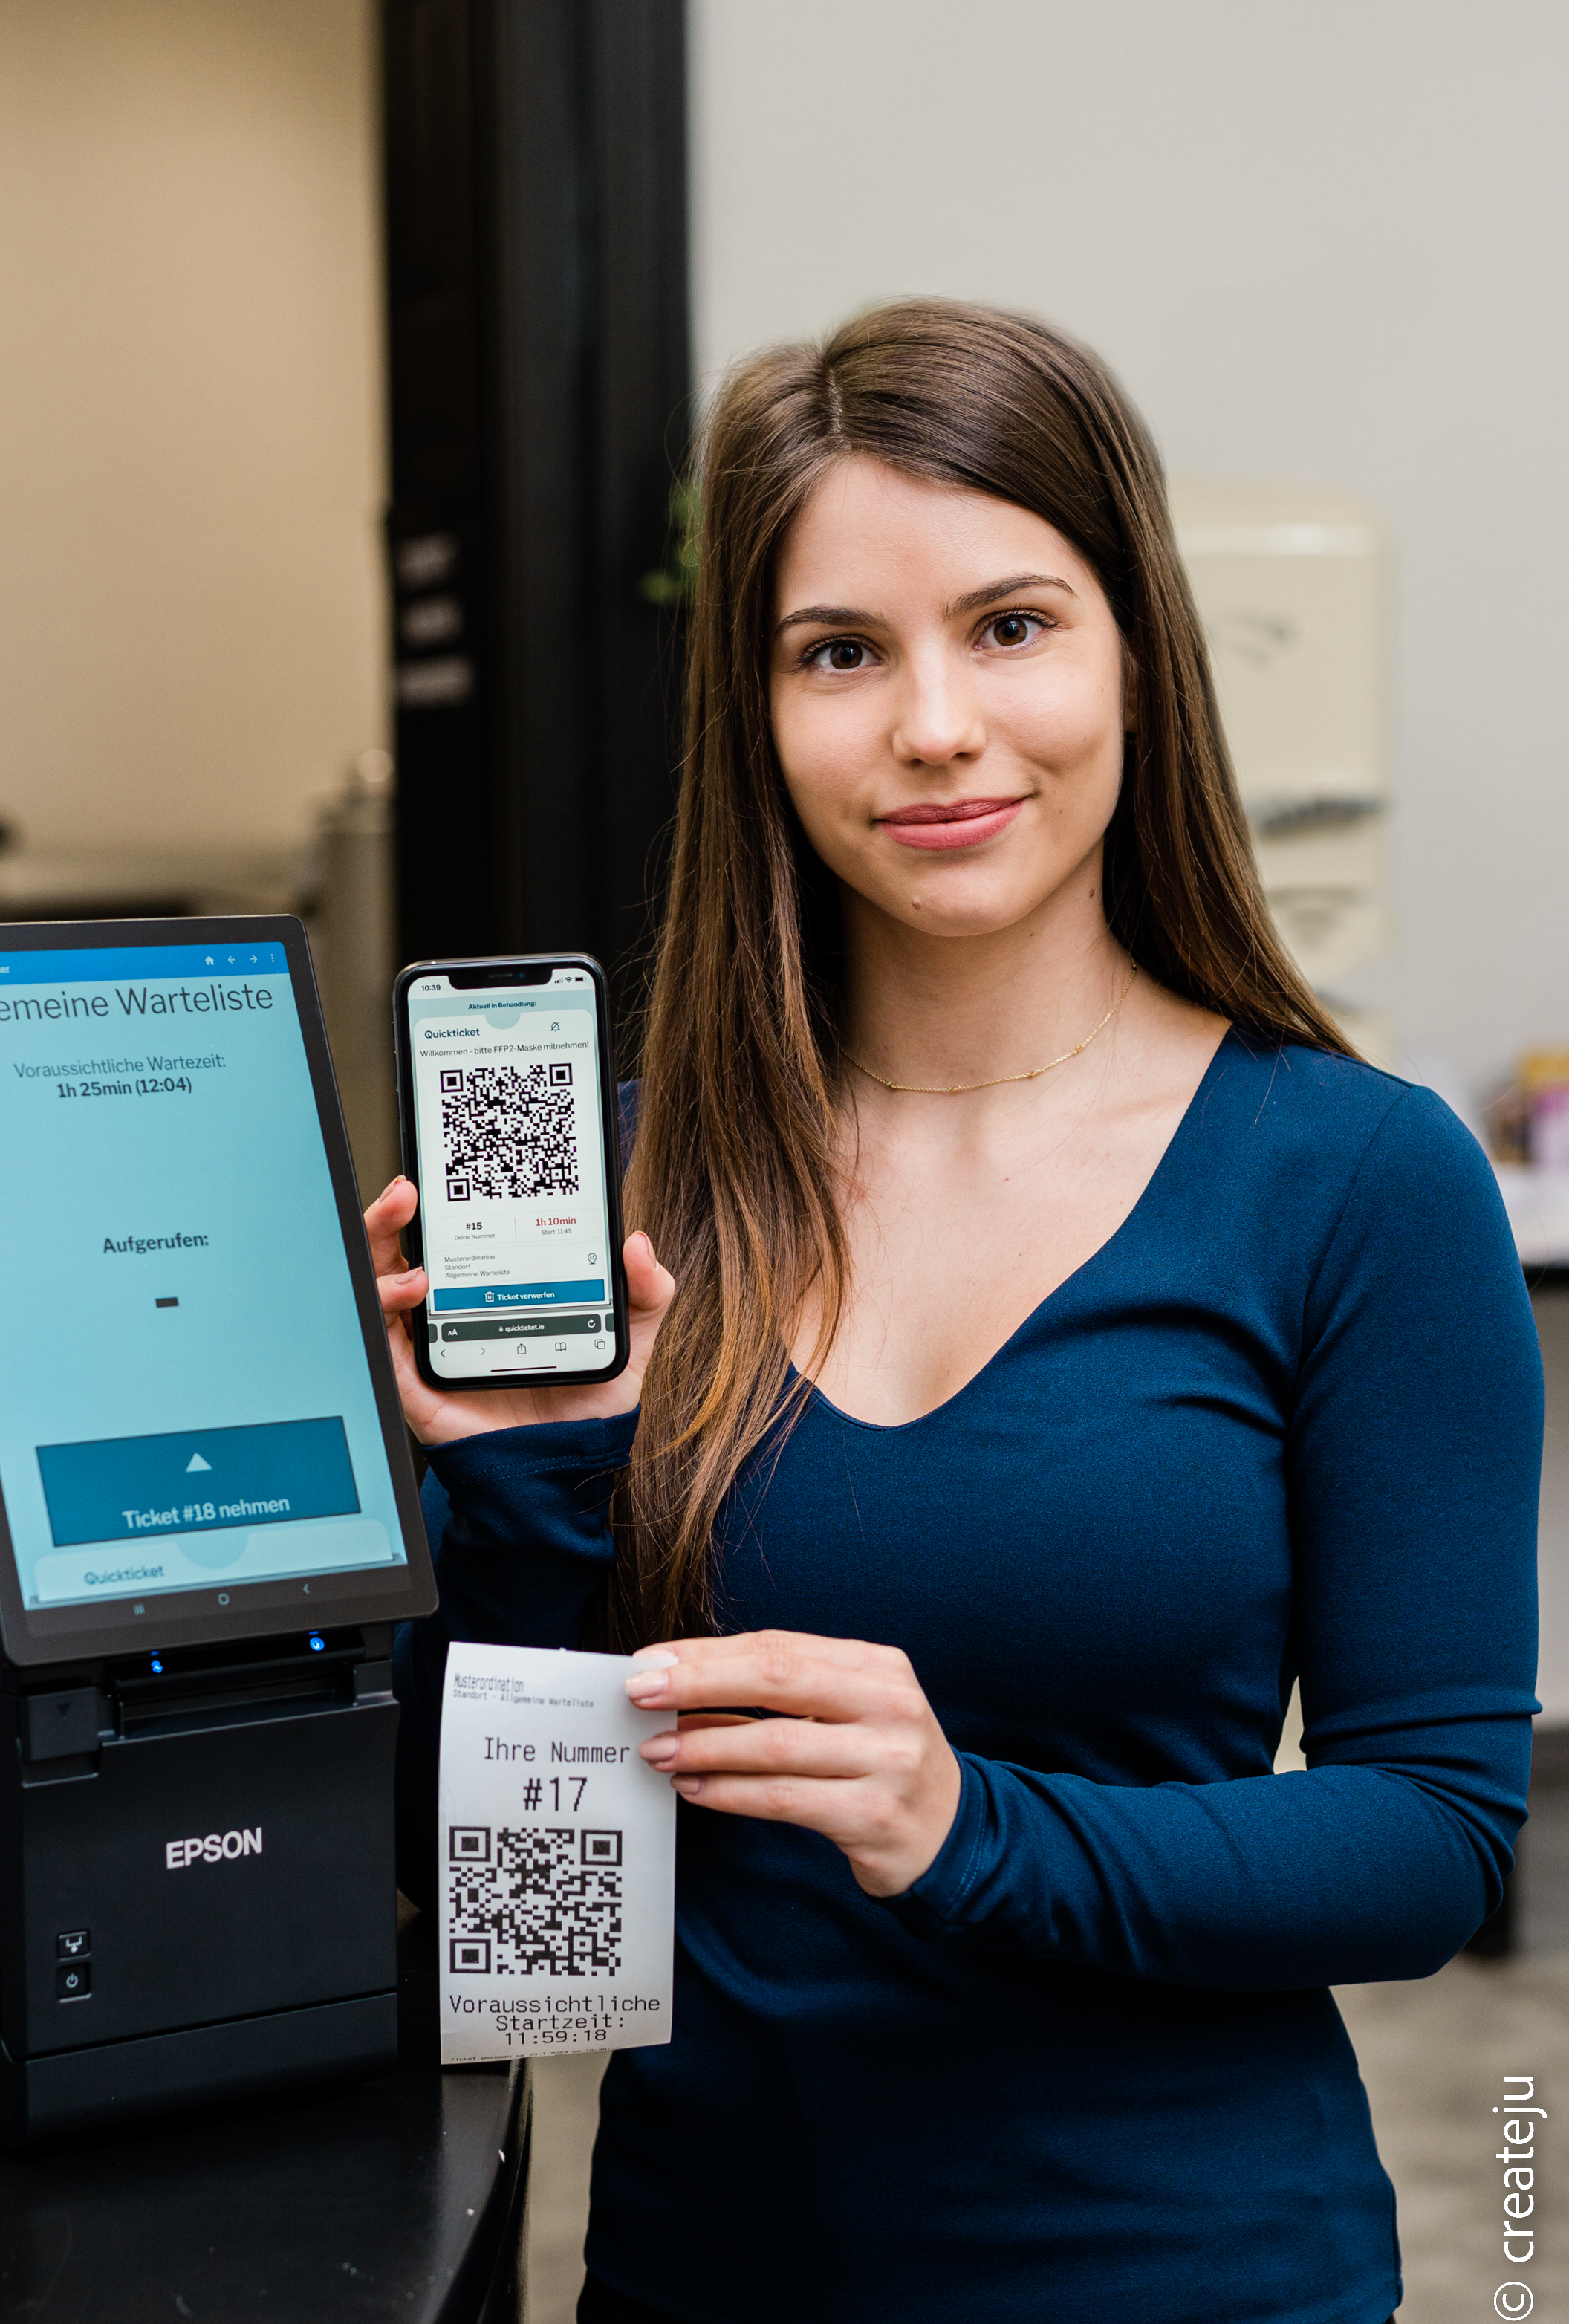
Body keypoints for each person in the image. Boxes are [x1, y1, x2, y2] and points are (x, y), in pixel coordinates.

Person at [366, 301, 1541, 2324]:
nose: (930, 723)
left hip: (1177, 2272)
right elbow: (498, 1911)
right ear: (753, 709)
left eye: (1008, 624)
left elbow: (1430, 1844)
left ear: (1133, 655)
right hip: (692, 2272)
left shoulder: (1354, 1179)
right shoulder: (623, 1198)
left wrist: (965, 1826)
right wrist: (528, 1498)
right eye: (841, 652)